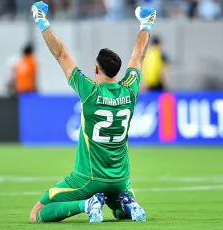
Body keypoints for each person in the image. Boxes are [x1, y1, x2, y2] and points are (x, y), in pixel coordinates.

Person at [29, 1, 156, 223]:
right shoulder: (131, 87)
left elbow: (61, 54)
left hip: (88, 178)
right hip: (121, 179)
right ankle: (127, 202)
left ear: (96, 68)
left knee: (37, 213)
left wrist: (41, 19)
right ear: (117, 71)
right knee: (119, 213)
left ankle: (87, 204)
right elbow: (138, 55)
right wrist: (146, 24)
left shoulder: (89, 91)